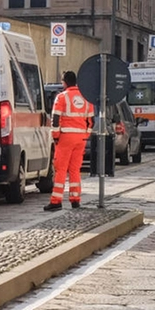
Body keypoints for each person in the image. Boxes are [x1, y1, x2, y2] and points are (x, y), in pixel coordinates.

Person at [45, 70, 94, 211]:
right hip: (80, 139)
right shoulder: (86, 98)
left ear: (65, 82)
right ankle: (75, 199)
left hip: (65, 137)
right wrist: (85, 135)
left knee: (60, 169)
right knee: (75, 170)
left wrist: (55, 137)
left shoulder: (61, 97)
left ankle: (56, 201)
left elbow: (55, 119)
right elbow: (91, 121)